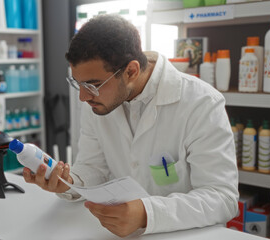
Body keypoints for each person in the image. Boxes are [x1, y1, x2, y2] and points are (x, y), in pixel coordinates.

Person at [23, 14, 239, 237]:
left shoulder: (201, 103)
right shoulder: (97, 102)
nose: (83, 97)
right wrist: (69, 182)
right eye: (78, 84)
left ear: (131, 71)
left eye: (93, 85)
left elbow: (222, 197)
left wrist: (148, 213)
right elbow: (93, 167)